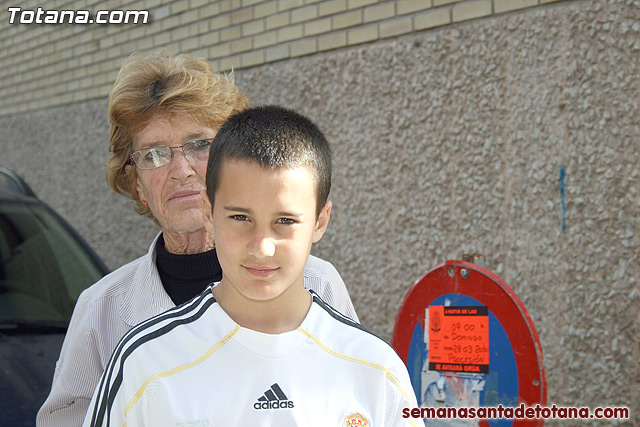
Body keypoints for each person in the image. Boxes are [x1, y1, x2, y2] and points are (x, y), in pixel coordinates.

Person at [37, 52, 358, 427]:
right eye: (154, 154)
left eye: (199, 145)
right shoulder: (102, 310)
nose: (180, 170)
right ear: (137, 183)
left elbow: (354, 400)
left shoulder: (316, 283)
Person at [82, 105, 418, 427]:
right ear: (209, 211)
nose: (261, 247)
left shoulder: (376, 370)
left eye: (284, 220)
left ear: (320, 221)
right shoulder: (144, 363)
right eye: (240, 217)